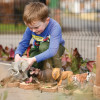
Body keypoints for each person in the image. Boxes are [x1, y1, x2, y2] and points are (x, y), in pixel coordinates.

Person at [15, 2, 65, 70]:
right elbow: (24, 43)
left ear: (47, 21)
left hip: (56, 49)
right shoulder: (32, 27)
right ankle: (41, 69)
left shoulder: (54, 27)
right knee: (31, 63)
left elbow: (52, 51)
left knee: (43, 47)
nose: (33, 31)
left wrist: (34, 59)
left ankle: (57, 69)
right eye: (30, 28)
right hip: (39, 49)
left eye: (36, 27)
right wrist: (17, 54)